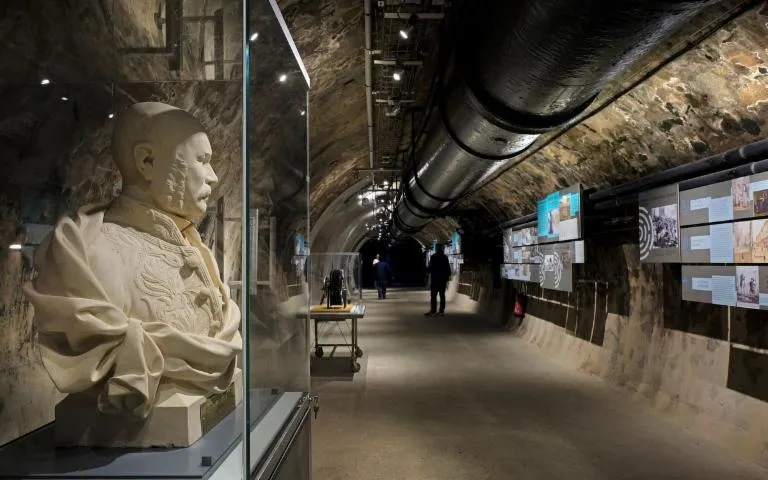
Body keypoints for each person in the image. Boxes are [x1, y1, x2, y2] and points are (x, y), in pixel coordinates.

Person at [426, 244, 451, 316]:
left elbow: (430, 267)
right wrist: (447, 278)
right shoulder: (445, 257)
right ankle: (441, 311)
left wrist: (428, 272)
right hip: (443, 279)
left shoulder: (433, 257)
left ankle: (433, 311)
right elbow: (448, 268)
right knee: (442, 295)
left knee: (433, 295)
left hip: (435, 279)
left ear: (437, 249)